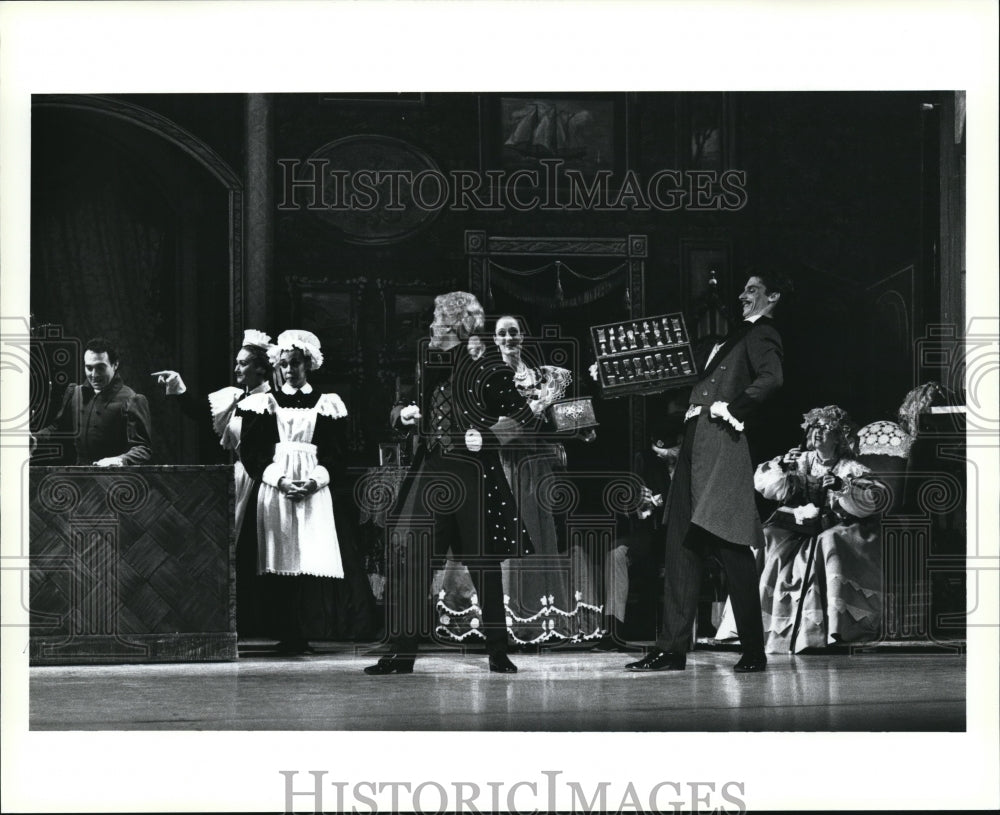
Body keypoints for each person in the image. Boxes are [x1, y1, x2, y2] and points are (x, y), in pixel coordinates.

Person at [627, 272, 791, 673]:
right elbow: (678, 377)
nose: (742, 295)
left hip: (721, 443)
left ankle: (753, 649)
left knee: (731, 546)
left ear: (773, 296)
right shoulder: (729, 338)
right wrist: (619, 375)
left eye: (752, 289)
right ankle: (672, 649)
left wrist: (734, 410)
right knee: (681, 546)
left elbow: (773, 378)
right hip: (694, 444)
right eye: (745, 289)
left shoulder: (762, 333)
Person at [365, 293, 535, 675]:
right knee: (413, 561)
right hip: (432, 469)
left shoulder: (489, 364)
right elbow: (400, 403)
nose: (431, 328)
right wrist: (402, 414)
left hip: (472, 474)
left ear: (459, 327)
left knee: (484, 563)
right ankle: (403, 653)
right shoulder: (427, 362)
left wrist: (487, 438)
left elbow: (521, 415)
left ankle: (497, 651)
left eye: (438, 322)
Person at [717, 405, 886, 652]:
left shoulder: (850, 468)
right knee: (765, 537)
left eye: (826, 429)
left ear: (838, 437)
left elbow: (871, 500)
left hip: (837, 525)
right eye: (815, 427)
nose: (818, 433)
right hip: (799, 527)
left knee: (827, 541)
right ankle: (747, 626)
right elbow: (770, 488)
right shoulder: (800, 460)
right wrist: (783, 468)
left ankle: (824, 629)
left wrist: (841, 486)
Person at [238, 329, 359, 654]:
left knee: (309, 559)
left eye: (296, 364)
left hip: (313, 490)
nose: (290, 370)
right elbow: (252, 451)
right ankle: (285, 631)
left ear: (308, 365)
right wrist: (279, 479)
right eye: (285, 365)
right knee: (279, 557)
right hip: (275, 489)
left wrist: (315, 480)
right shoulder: (262, 404)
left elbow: (337, 452)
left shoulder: (327, 404)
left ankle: (308, 630)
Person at [151, 329, 275, 635]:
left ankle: (261, 624)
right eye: (236, 363)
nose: (236, 369)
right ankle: (241, 624)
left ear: (260, 367)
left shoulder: (271, 402)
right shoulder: (238, 397)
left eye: (243, 364)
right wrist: (178, 386)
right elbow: (199, 414)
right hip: (240, 477)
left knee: (255, 550)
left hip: (263, 480)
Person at [31, 336, 152, 466]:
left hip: (115, 479)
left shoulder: (132, 400)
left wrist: (120, 460)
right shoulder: (75, 394)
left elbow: (143, 448)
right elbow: (57, 429)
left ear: (115, 364)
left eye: (100, 368)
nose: (94, 375)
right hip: (81, 477)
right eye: (89, 368)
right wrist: (34, 439)